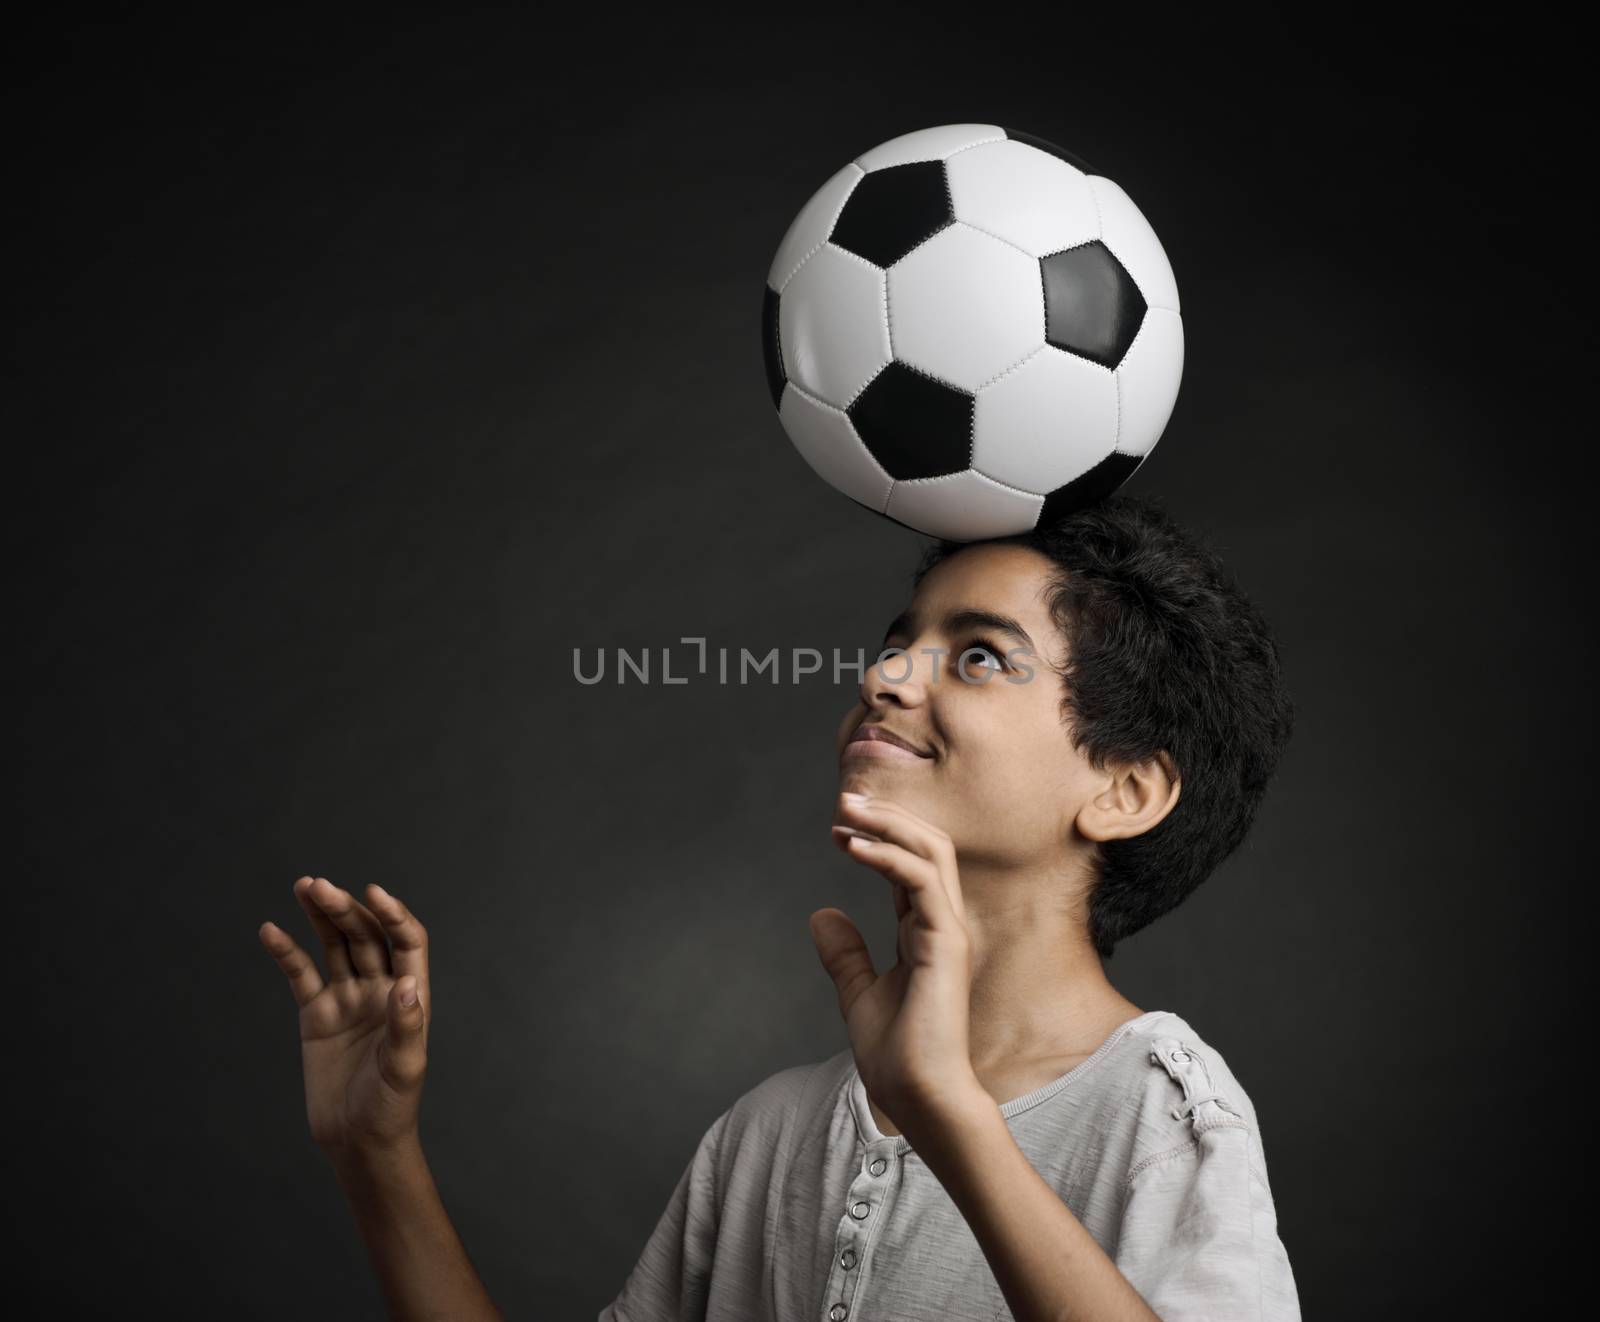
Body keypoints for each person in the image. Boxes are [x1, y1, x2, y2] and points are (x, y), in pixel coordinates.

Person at [259, 493, 1301, 1320]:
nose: (884, 672)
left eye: (977, 654)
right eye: (900, 639)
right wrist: (377, 1153)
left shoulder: (1162, 1111)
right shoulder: (768, 1130)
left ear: (1125, 789)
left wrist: (949, 1110)